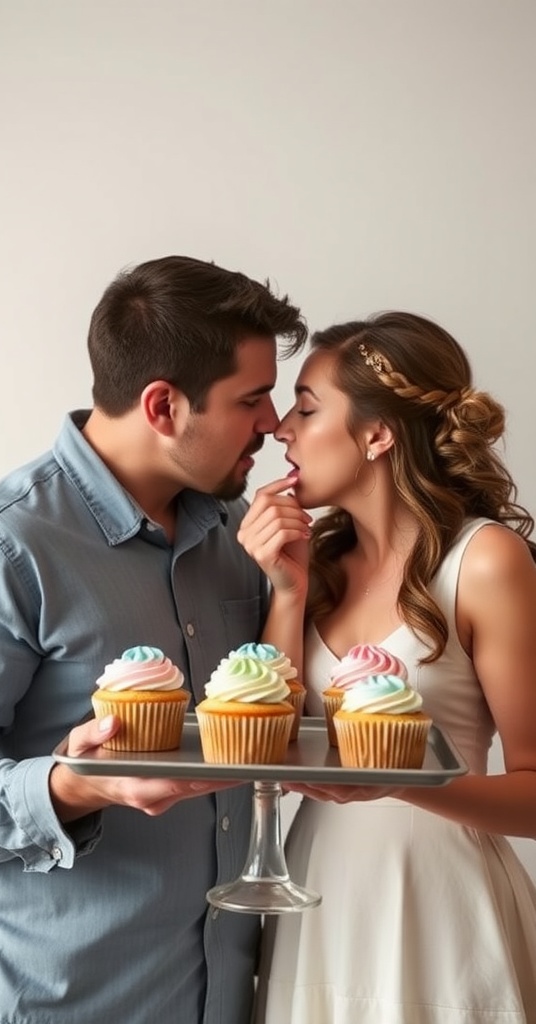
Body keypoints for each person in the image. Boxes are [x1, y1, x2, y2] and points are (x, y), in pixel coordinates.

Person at [0, 255, 307, 1024]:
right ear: (163, 406)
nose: (274, 425)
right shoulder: (5, 545)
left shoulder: (236, 535)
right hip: (65, 1002)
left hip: (223, 997)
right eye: (253, 399)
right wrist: (77, 785)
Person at [237, 311, 536, 1024]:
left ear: (377, 434)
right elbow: (269, 751)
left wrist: (401, 783)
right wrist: (286, 591)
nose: (281, 430)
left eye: (307, 409)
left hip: (440, 906)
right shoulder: (319, 567)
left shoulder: (486, 562)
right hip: (316, 896)